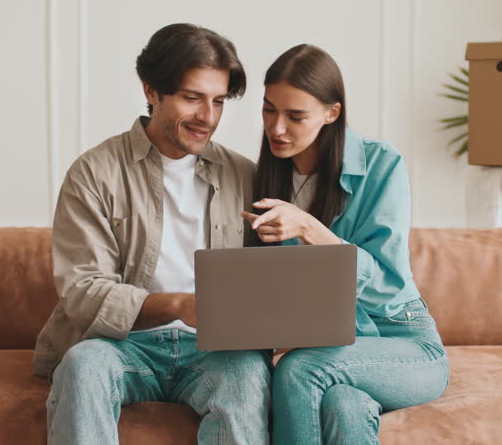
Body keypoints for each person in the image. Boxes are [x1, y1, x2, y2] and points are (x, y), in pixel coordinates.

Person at [34, 23, 272, 445]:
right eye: (192, 98)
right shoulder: (94, 173)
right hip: (120, 344)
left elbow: (271, 277)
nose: (208, 117)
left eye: (218, 102)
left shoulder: (244, 175)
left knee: (248, 376)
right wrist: (180, 305)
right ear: (151, 91)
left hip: (212, 351)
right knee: (82, 366)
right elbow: (83, 290)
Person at [242, 44, 449, 445]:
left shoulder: (381, 164)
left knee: (301, 370)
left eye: (295, 116)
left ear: (331, 113)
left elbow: (387, 280)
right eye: (269, 109)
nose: (276, 127)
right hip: (334, 348)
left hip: (403, 341)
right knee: (344, 407)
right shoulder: (263, 180)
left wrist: (310, 228)